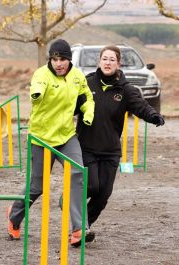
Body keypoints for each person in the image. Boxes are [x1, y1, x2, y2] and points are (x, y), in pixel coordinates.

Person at [7, 39, 96, 247]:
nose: (58, 63)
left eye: (62, 59)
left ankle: (78, 229)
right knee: (37, 186)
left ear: (69, 60)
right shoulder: (41, 74)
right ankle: (14, 217)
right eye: (55, 59)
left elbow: (86, 98)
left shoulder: (77, 76)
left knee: (77, 174)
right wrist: (37, 94)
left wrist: (88, 111)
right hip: (41, 138)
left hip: (66, 136)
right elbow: (37, 88)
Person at [75, 45, 165, 231]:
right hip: (86, 147)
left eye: (112, 60)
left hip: (110, 150)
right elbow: (70, 105)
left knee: (104, 194)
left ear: (118, 63)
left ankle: (84, 227)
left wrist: (154, 116)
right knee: (92, 186)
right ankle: (74, 213)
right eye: (105, 59)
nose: (108, 63)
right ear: (99, 61)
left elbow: (141, 106)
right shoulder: (87, 83)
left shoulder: (126, 89)